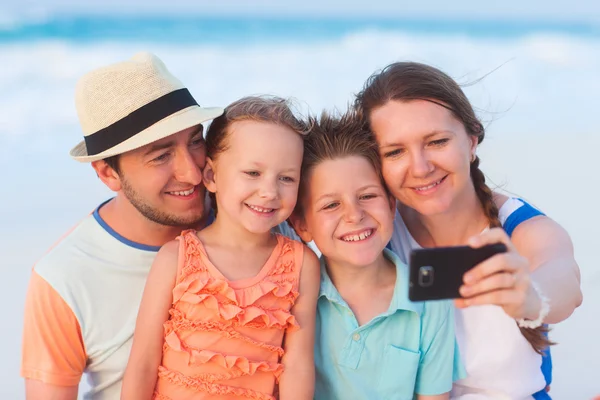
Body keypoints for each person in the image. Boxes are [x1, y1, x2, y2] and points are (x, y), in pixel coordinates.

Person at [355, 61, 583, 399]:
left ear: (472, 139)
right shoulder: (373, 232)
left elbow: (565, 283)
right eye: (395, 151)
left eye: (436, 141)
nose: (420, 167)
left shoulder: (520, 226)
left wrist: (531, 297)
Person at [21, 52, 224, 399]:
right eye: (161, 156)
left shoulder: (253, 217)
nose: (192, 172)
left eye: (195, 140)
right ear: (107, 173)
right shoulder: (64, 278)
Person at [121, 96, 320, 400]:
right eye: (253, 173)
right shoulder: (176, 257)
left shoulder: (301, 263)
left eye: (286, 178)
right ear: (212, 176)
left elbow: (297, 366)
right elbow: (143, 363)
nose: (269, 192)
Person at [290, 110, 460, 400]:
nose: (355, 215)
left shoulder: (430, 299)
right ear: (302, 225)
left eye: (368, 196)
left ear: (392, 205)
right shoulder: (292, 295)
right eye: (331, 205)